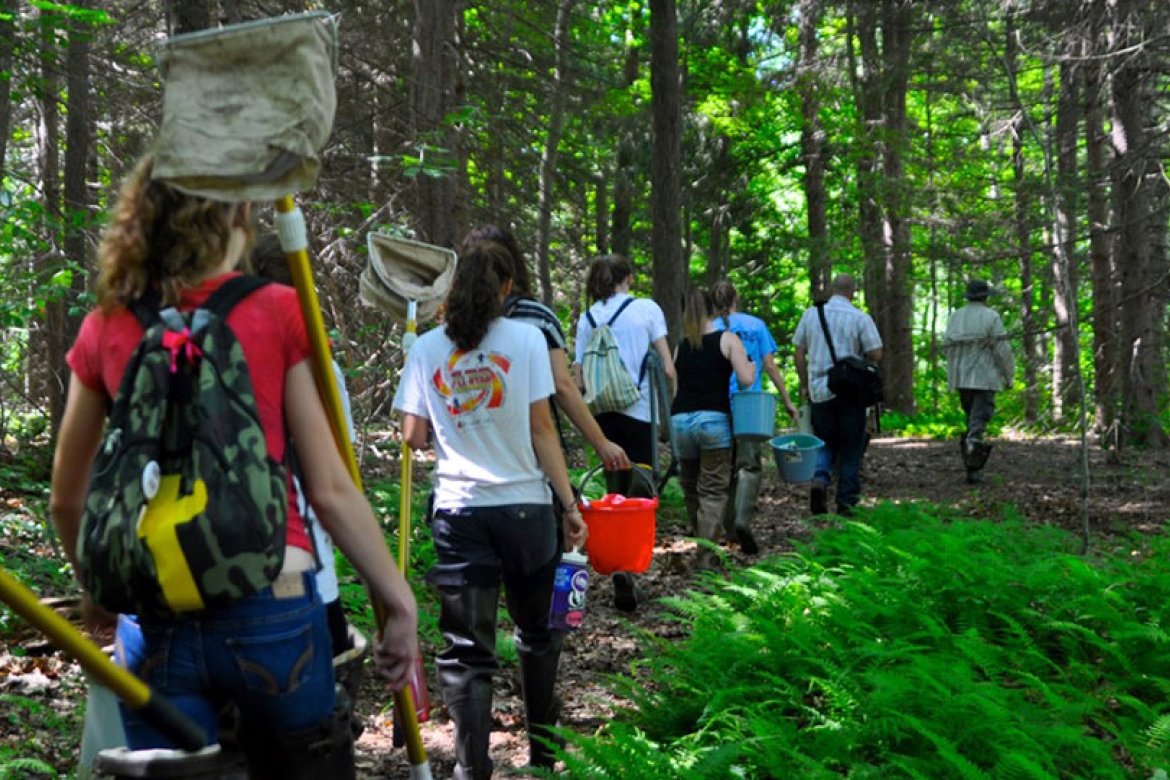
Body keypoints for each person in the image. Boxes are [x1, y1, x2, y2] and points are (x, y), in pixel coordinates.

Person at [50, 154, 418, 779]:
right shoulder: (277, 308)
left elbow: (67, 498)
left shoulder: (105, 325)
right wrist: (399, 602)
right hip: (273, 600)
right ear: (238, 213)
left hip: (156, 620)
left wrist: (99, 587)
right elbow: (327, 488)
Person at [393, 240, 588, 777]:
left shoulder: (428, 347)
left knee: (466, 650)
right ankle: (543, 756)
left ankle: (470, 768)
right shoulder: (526, 339)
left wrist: (447, 427)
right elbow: (542, 427)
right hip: (525, 507)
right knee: (537, 634)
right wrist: (569, 503)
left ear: (453, 291)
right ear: (506, 288)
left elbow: (411, 435)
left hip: (459, 511)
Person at [459, 225, 630, 474]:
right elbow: (562, 385)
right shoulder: (537, 318)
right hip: (526, 454)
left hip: (466, 454)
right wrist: (601, 443)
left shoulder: (452, 323)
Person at [573, 253, 675, 612]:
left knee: (614, 490)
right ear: (627, 277)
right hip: (638, 409)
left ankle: (618, 564)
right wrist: (668, 411)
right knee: (641, 487)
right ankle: (630, 566)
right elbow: (666, 365)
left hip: (602, 414)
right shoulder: (646, 309)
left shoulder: (587, 319)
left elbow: (579, 375)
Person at [710, 280, 799, 554]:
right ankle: (742, 520)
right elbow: (770, 366)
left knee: (724, 467)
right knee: (749, 466)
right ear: (737, 298)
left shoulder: (709, 327)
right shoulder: (756, 325)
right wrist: (787, 401)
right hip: (749, 405)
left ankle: (728, 530)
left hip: (718, 403)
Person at [671, 287, 755, 569]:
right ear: (713, 310)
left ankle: (702, 542)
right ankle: (706, 556)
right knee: (713, 490)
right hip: (713, 421)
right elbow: (745, 380)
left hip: (680, 421)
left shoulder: (680, 346)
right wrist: (752, 368)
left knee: (691, 488)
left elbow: (675, 389)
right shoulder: (727, 339)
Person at [793, 273, 883, 517]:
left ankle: (820, 480)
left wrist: (805, 384)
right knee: (852, 446)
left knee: (824, 440)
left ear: (832, 290)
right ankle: (846, 502)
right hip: (852, 392)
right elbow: (876, 352)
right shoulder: (860, 318)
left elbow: (799, 353)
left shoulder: (811, 314)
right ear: (853, 291)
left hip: (820, 390)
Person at [943, 279, 1014, 484]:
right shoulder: (991, 316)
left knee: (971, 419)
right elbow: (1002, 349)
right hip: (984, 377)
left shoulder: (956, 316)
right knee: (978, 422)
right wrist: (1008, 375)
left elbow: (947, 346)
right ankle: (973, 469)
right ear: (985, 297)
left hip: (961, 377)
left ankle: (971, 463)